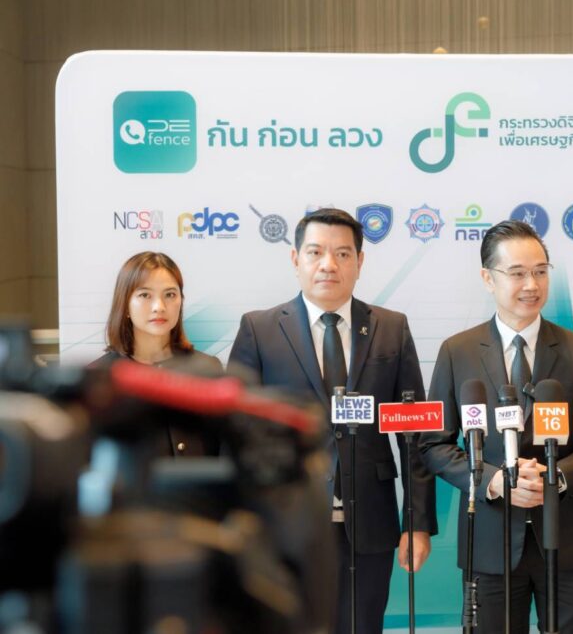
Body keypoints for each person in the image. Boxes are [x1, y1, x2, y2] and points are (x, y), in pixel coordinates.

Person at [228, 208, 437, 634]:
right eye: (316, 252)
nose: (329, 264)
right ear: (295, 259)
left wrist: (416, 523)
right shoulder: (260, 329)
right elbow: (236, 431)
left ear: (360, 262)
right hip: (286, 523)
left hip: (371, 521)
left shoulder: (391, 328)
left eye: (342, 254)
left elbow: (413, 432)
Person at [419, 220, 573, 634]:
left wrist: (556, 477)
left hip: (567, 541)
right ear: (488, 278)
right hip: (490, 543)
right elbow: (434, 445)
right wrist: (492, 481)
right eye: (518, 273)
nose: (531, 284)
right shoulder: (457, 351)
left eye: (540, 271)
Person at [92, 251, 222, 457]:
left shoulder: (208, 369)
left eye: (170, 294)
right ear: (125, 304)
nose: (159, 307)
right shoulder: (102, 377)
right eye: (145, 295)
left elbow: (222, 447)